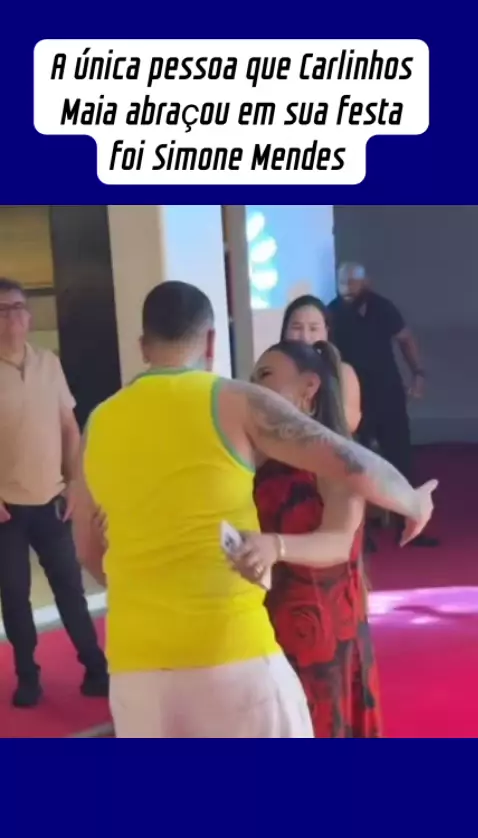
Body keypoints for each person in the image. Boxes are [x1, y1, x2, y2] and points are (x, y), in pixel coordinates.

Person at [72, 281, 436, 739]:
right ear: (210, 342)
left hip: (135, 664)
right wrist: (413, 500)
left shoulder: (99, 422)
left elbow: (87, 549)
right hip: (231, 651)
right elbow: (352, 462)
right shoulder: (233, 401)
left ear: (143, 345)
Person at [233, 339, 380, 737]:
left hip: (322, 628)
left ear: (309, 386)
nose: (253, 388)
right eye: (252, 379)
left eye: (265, 376)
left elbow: (338, 541)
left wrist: (275, 546)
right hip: (261, 622)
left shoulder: (336, 456)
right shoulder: (253, 456)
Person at [0, 277, 108, 708]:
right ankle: (28, 676)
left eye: (18, 307)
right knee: (14, 596)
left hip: (52, 502)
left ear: (29, 316)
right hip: (6, 510)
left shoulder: (48, 363)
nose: (12, 317)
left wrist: (75, 482)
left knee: (70, 590)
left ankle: (95, 669)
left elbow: (69, 427)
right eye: (3, 309)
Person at [328, 262, 437, 546]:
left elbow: (406, 339)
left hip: (387, 392)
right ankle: (361, 533)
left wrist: (418, 373)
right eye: (342, 282)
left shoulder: (382, 307)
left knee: (400, 458)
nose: (347, 288)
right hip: (353, 397)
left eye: (352, 282)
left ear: (366, 283)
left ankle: (410, 524)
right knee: (356, 463)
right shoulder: (332, 312)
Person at [281, 294, 361, 433]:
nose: (305, 337)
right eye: (296, 328)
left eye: (313, 329)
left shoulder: (343, 371)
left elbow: (350, 422)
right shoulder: (275, 370)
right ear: (285, 331)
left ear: (326, 332)